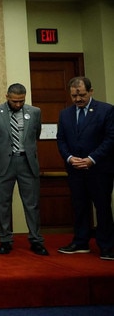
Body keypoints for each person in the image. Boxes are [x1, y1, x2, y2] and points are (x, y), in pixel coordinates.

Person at [0, 83, 48, 256]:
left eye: (21, 101)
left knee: (32, 204)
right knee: (2, 204)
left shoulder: (34, 112)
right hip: (3, 164)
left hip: (26, 162)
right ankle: (5, 240)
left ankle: (36, 240)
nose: (18, 104)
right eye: (14, 101)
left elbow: (35, 135)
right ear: (7, 97)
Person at [56, 77, 114, 260]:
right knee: (79, 207)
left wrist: (91, 159)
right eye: (74, 96)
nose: (78, 99)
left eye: (81, 94)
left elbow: (110, 139)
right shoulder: (65, 114)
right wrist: (69, 157)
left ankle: (107, 246)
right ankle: (81, 242)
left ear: (90, 91)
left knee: (102, 207)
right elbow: (61, 140)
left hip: (99, 170)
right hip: (75, 170)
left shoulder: (106, 110)